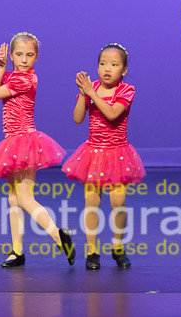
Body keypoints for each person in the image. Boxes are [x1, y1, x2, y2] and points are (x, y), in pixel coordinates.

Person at [0, 32, 74, 267]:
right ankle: (17, 251)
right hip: (13, 141)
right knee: (14, 198)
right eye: (19, 54)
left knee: (24, 197)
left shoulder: (24, 79)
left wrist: (0, 67)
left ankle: (59, 235)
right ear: (11, 55)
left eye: (29, 55)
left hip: (24, 140)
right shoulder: (12, 77)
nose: (23, 59)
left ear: (36, 57)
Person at [62, 43, 146, 270]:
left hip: (118, 153)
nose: (107, 68)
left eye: (114, 64)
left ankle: (118, 247)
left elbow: (111, 114)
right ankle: (92, 251)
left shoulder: (126, 90)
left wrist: (91, 93)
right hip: (93, 153)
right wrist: (83, 95)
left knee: (118, 202)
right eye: (102, 63)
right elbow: (78, 118)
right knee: (91, 202)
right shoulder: (93, 88)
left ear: (124, 70)